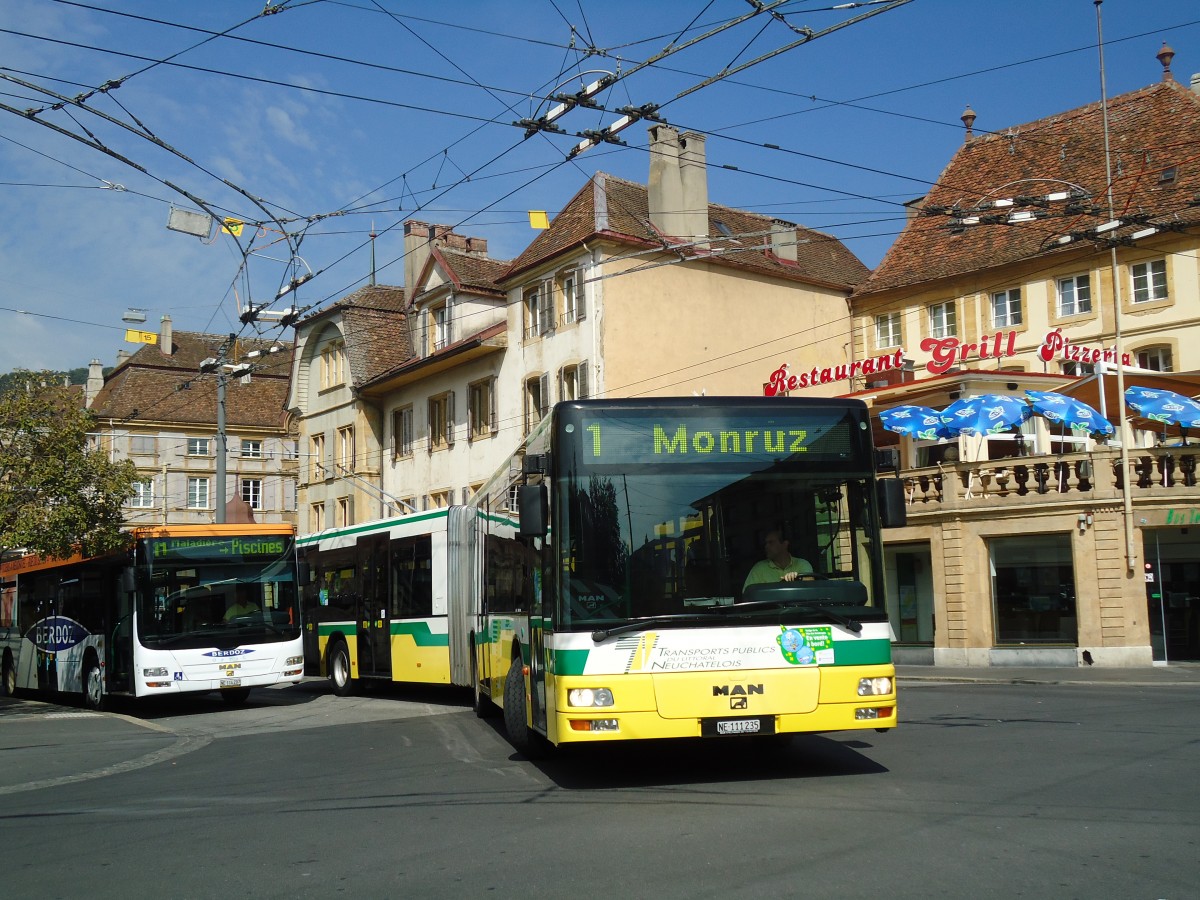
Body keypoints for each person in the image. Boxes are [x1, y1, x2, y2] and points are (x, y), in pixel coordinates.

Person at [743, 528, 813, 590]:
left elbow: (810, 589)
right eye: (766, 543)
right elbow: (747, 594)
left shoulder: (802, 564)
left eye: (771, 542)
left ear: (785, 544)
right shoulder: (758, 569)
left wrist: (797, 580)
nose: (766, 546)